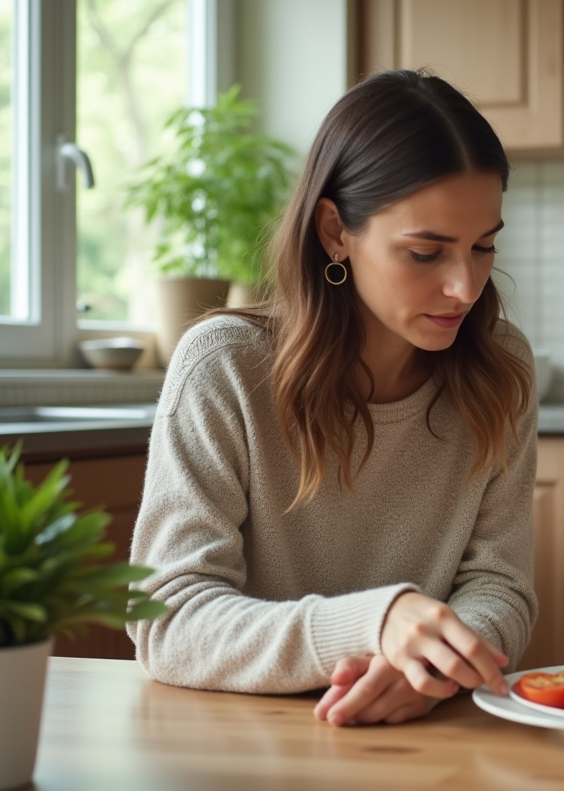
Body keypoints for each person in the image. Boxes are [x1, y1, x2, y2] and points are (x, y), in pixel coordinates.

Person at [128, 69, 538, 727]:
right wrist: (375, 624)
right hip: (242, 742)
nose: (466, 286)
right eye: (426, 252)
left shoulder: (500, 368)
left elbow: (501, 585)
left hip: (420, 739)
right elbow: (167, 619)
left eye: (484, 246)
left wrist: (434, 667)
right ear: (334, 231)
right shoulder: (225, 367)